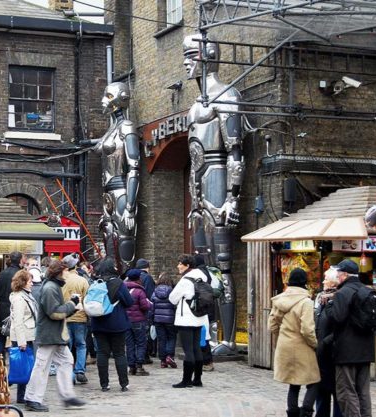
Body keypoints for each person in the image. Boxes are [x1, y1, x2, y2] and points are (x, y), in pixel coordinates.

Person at [180, 33, 244, 356]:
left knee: (223, 263)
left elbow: (235, 151)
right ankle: (212, 330)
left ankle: (229, 339)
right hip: (200, 182)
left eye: (191, 55)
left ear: (208, 56)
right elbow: (193, 157)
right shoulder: (193, 108)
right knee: (205, 266)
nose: (187, 62)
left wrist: (233, 196)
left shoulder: (227, 96)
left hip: (218, 177)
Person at [83, 82, 140, 269]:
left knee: (124, 237)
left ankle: (126, 280)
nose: (102, 101)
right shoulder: (112, 128)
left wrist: (130, 207)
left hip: (122, 190)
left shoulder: (127, 127)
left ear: (121, 98)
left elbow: (134, 167)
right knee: (108, 233)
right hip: (108, 192)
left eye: (108, 96)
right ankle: (112, 277)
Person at [24, 260, 86, 412]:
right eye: (65, 271)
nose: (68, 273)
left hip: (54, 335)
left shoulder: (53, 286)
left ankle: (67, 396)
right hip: (49, 335)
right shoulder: (51, 288)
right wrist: (72, 304)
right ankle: (32, 398)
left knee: (65, 361)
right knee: (41, 367)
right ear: (59, 272)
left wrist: (71, 304)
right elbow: (55, 313)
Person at [268, 268, 320, 417]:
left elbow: (272, 326)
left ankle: (292, 412)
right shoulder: (306, 302)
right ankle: (306, 412)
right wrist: (315, 344)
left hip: (285, 346)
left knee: (294, 383)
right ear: (305, 282)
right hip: (303, 346)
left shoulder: (279, 300)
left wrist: (283, 336)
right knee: (314, 381)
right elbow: (307, 330)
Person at [327, 259, 374, 417]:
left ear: (345, 275)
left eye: (339, 273)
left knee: (347, 392)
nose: (337, 277)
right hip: (366, 351)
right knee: (363, 392)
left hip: (346, 351)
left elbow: (337, 318)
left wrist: (329, 306)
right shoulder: (366, 290)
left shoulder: (342, 293)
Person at [90, 257, 134, 392]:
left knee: (102, 354)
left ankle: (104, 384)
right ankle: (124, 384)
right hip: (117, 323)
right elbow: (129, 302)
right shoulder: (119, 283)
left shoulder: (96, 283)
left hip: (98, 323)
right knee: (120, 353)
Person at [169, 254, 210, 388]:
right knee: (196, 348)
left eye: (180, 263)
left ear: (187, 266)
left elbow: (172, 298)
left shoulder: (185, 280)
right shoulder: (202, 277)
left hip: (186, 318)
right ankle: (197, 379)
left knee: (188, 351)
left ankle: (186, 380)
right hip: (199, 317)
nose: (178, 266)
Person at [315, 267, 343, 417]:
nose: (323, 281)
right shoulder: (320, 297)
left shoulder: (339, 298)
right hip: (321, 351)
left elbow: (340, 326)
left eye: (326, 278)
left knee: (337, 390)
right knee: (321, 390)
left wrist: (326, 341)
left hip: (334, 351)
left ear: (333, 282)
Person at [9, 270, 39, 404]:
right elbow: (18, 321)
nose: (32, 284)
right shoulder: (19, 298)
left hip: (27, 335)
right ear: (23, 283)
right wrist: (21, 342)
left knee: (25, 366)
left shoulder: (26, 295)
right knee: (24, 366)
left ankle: (23, 394)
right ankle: (21, 394)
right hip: (23, 337)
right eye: (29, 281)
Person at [61, 253, 90, 384]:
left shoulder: (61, 281)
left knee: (68, 347)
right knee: (81, 345)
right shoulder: (83, 281)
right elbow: (87, 300)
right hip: (80, 317)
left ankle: (69, 373)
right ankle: (79, 371)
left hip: (65, 317)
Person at [0, 251, 23, 360]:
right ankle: (15, 362)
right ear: (20, 260)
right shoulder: (21, 274)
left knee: (2, 337)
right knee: (17, 338)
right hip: (16, 309)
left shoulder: (2, 274)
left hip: (2, 310)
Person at [124, 268, 152, 376]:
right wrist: (150, 305)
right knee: (140, 343)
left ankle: (131, 367)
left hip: (126, 321)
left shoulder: (124, 289)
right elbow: (144, 305)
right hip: (138, 320)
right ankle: (139, 366)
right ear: (138, 278)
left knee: (129, 344)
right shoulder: (139, 290)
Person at [152, 272, 178, 369]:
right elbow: (175, 304)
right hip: (170, 319)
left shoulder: (155, 291)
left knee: (161, 339)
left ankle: (163, 360)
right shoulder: (172, 291)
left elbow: (152, 305)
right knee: (171, 337)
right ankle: (169, 356)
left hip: (158, 319)